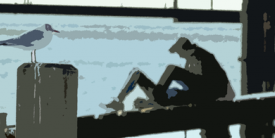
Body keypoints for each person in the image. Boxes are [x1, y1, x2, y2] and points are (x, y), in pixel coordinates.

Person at [101, 37, 235, 113]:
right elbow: (189, 85)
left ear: (186, 49)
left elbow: (220, 86)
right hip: (183, 94)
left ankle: (155, 99)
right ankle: (119, 101)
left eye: (179, 53)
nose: (179, 56)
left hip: (205, 94)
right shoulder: (191, 60)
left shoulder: (202, 57)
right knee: (137, 74)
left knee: (172, 69)